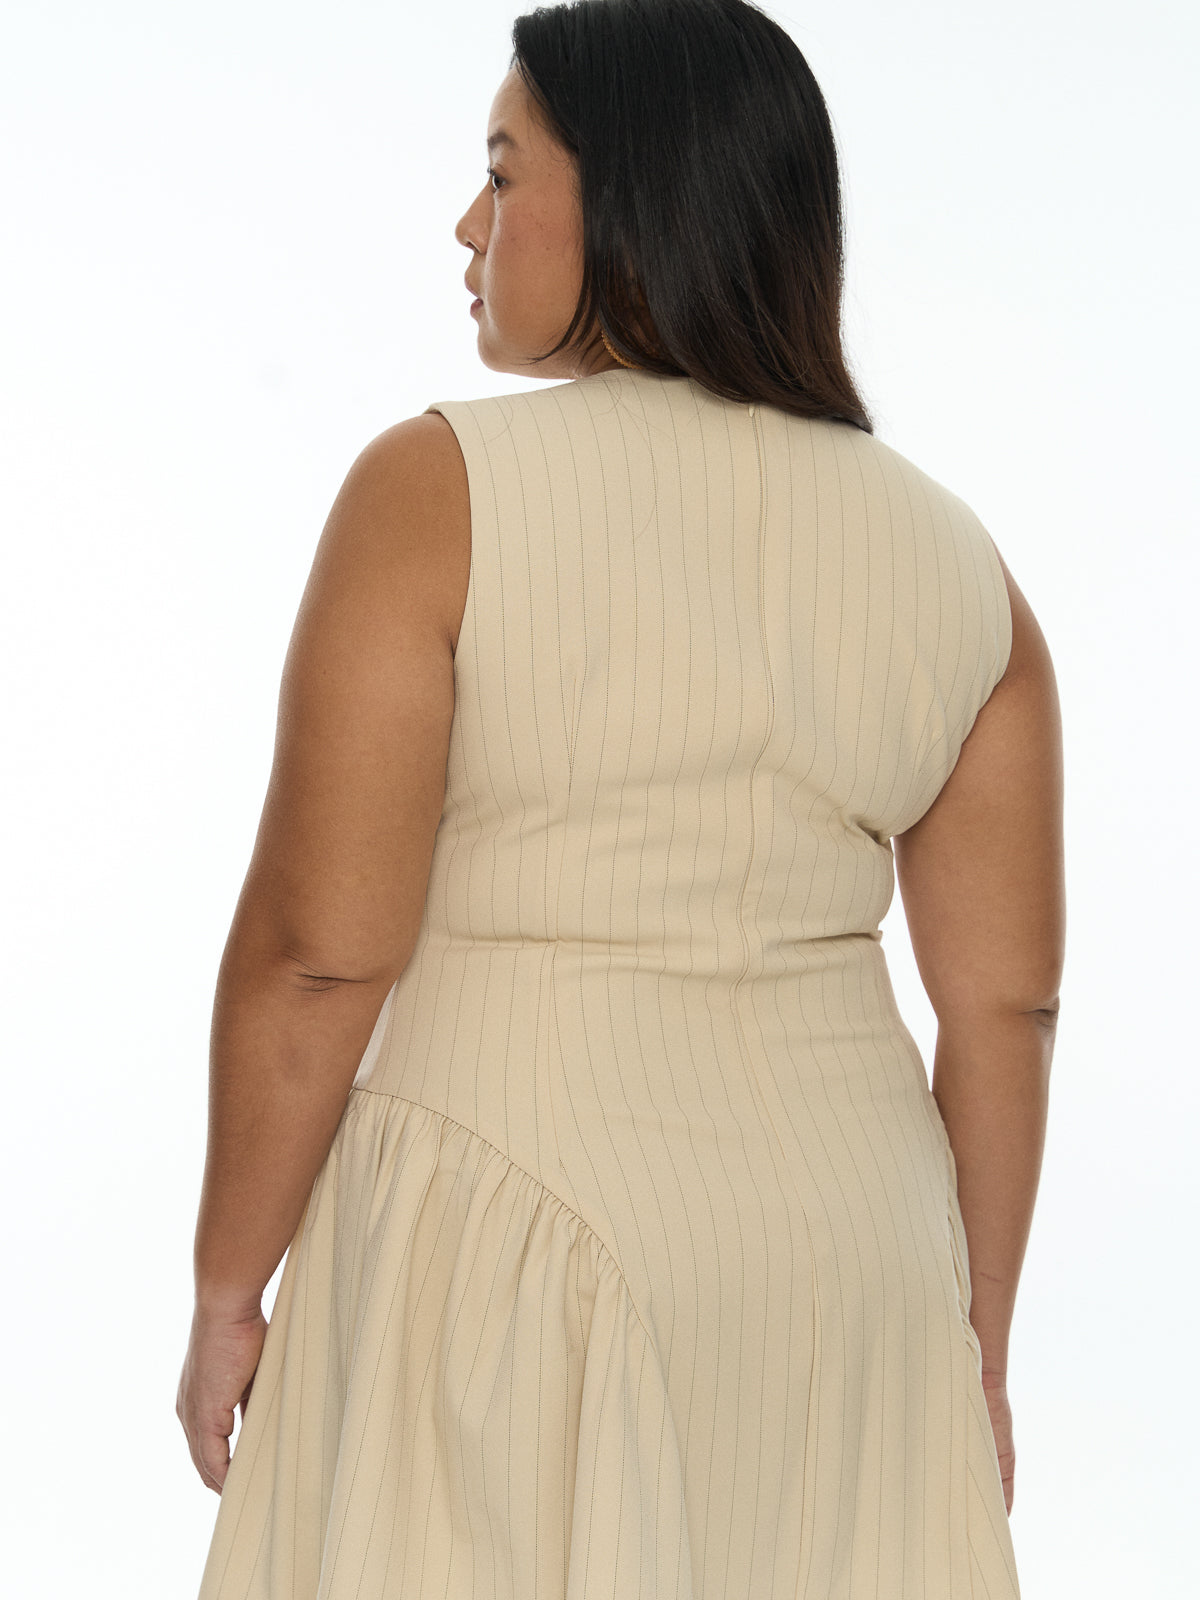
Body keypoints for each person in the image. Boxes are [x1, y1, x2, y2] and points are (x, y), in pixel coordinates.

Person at [178, 1, 1064, 1595]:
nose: (469, 225)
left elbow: (319, 951)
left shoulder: (437, 492)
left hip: (508, 1231)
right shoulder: (960, 564)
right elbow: (1007, 1007)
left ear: (637, 204)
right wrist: (973, 1340)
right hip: (857, 1265)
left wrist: (228, 1284)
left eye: (503, 173)